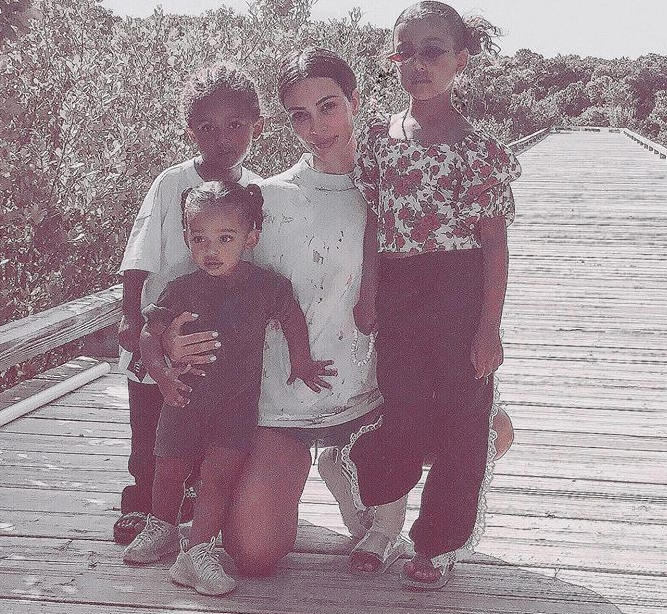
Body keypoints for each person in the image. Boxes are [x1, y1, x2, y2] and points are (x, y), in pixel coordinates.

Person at [156, 47, 516, 579]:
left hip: (374, 401)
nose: (316, 126)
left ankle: (354, 475)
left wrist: (484, 349)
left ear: (354, 101)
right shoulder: (264, 200)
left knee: (491, 430)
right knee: (253, 553)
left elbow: (451, 279)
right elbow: (204, 283)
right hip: (283, 407)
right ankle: (304, 475)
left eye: (328, 106)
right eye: (299, 115)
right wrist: (168, 340)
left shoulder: (396, 192)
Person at [343, 1, 522, 590]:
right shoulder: (380, 139)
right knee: (403, 411)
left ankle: (439, 542)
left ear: (461, 60)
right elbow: (374, 222)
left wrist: (488, 328)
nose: (418, 64)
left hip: (460, 292)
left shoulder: (481, 150)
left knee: (463, 423)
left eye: (433, 52)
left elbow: (494, 246)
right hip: (399, 294)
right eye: (406, 52)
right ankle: (377, 489)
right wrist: (369, 293)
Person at [123, 181, 333, 597]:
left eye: (225, 238)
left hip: (235, 407)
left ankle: (197, 552)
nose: (211, 250)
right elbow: (150, 334)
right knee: (169, 469)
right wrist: (162, 377)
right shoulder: (182, 288)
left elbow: (291, 317)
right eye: (199, 238)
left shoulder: (266, 286)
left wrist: (302, 362)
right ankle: (162, 526)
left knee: (216, 479)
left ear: (250, 238)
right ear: (187, 237)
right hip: (183, 398)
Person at [114, 62, 264, 544]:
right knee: (151, 423)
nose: (223, 139)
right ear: (190, 131)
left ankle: (191, 499)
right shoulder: (170, 183)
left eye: (235, 125)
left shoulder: (255, 190)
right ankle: (142, 502)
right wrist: (130, 317)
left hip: (213, 337)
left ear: (257, 125)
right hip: (159, 330)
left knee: (201, 416)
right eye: (208, 128)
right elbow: (139, 255)